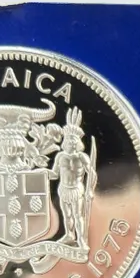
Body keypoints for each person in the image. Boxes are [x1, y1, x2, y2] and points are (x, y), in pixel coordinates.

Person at [53, 106, 93, 248]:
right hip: (63, 189)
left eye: (73, 140)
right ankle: (69, 235)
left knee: (77, 215)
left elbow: (91, 173)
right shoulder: (60, 156)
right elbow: (55, 174)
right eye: (68, 139)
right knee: (67, 215)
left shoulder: (82, 157)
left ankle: (81, 240)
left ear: (77, 142)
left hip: (76, 189)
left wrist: (90, 189)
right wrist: (42, 174)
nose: (71, 142)